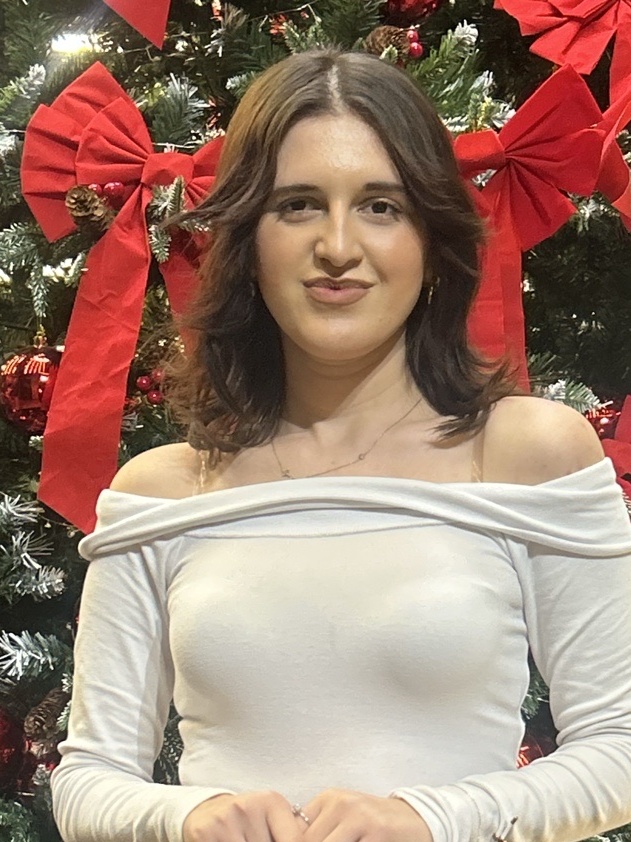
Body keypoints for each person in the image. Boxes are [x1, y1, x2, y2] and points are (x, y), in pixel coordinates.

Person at [51, 47, 631, 842]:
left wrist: (432, 818)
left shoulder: (527, 456)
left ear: (430, 240)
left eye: (380, 206)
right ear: (247, 241)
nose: (337, 245)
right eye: (297, 205)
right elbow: (89, 777)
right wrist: (189, 818)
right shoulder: (161, 493)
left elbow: (619, 747)